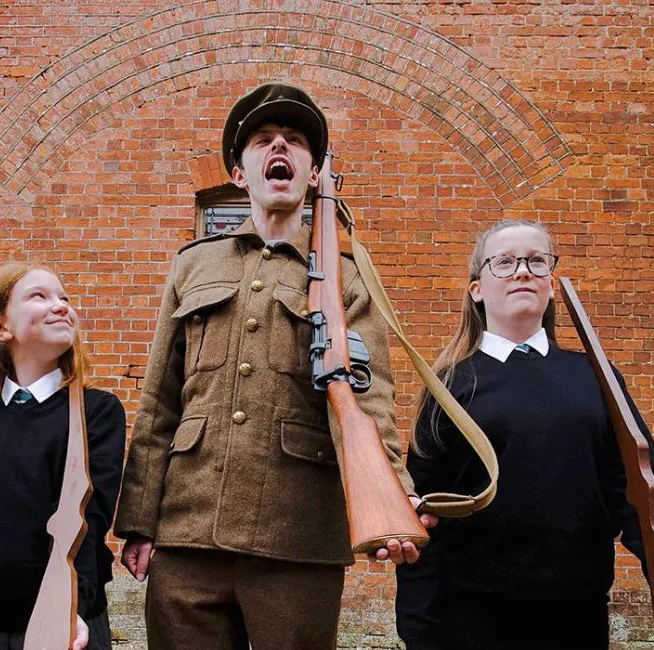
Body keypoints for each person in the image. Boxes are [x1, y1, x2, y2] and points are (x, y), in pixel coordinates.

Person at [113, 82, 429, 650]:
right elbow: (159, 402)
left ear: (313, 175)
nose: (278, 147)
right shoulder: (193, 265)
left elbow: (368, 400)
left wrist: (394, 496)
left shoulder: (348, 276)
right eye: (262, 140)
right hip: (189, 535)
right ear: (240, 172)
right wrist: (139, 518)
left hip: (297, 538)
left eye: (294, 141)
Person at [395, 221, 654, 650]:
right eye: (504, 262)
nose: (523, 271)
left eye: (536, 261)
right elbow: (423, 509)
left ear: (550, 284)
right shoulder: (450, 382)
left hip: (576, 612)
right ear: (476, 289)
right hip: (469, 617)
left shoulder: (594, 376)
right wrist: (419, 626)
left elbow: (640, 493)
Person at [0, 263, 126, 650]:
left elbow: (88, 519)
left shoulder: (96, 411)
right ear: (1, 327)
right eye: (40, 296)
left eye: (64, 298)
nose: (61, 306)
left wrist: (72, 607)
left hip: (67, 624)